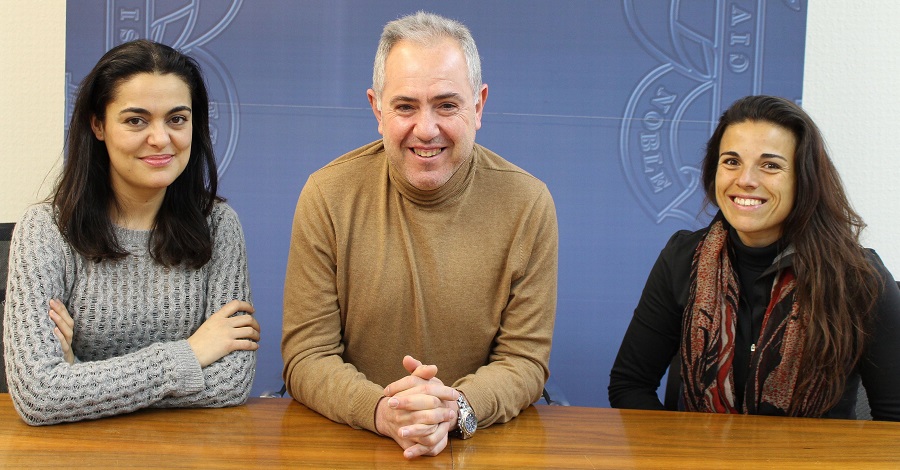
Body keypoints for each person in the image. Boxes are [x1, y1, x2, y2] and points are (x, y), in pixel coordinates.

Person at [281, 11, 558, 458]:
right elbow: (307, 356)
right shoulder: (326, 195)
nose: (426, 130)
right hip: (352, 440)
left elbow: (524, 361)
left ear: (478, 106)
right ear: (377, 109)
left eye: (446, 105)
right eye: (405, 106)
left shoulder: (528, 203)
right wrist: (383, 412)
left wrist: (453, 409)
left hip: (475, 444)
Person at [3, 39, 260, 426]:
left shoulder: (219, 226)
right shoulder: (46, 229)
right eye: (136, 120)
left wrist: (79, 376)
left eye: (177, 119)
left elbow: (231, 383)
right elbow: (39, 394)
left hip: (185, 450)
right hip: (74, 452)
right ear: (98, 125)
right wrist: (190, 353)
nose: (160, 139)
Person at [608, 95, 900, 420]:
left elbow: (895, 417)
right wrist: (678, 447)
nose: (745, 180)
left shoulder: (859, 277)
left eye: (770, 165)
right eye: (731, 162)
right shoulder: (683, 258)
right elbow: (630, 384)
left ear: (804, 179)